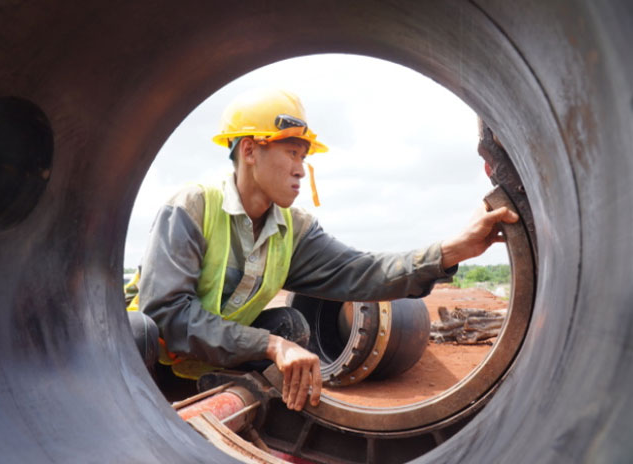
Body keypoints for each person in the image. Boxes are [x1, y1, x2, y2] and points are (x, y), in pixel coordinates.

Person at [133, 88, 518, 412]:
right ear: (250, 150)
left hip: (208, 363)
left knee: (292, 326)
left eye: (304, 156)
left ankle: (252, 405)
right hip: (149, 360)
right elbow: (168, 315)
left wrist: (452, 251)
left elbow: (361, 271)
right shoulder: (193, 207)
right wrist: (269, 344)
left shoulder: (293, 230)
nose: (301, 169)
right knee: (140, 331)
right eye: (291, 153)